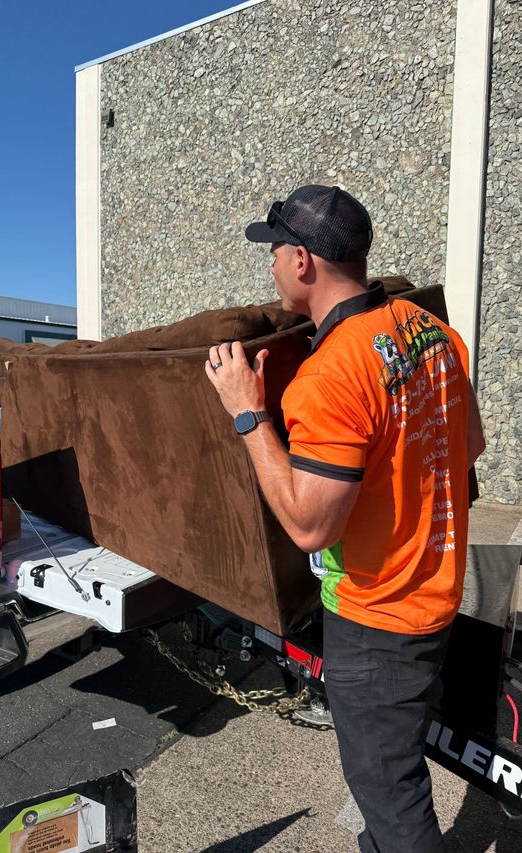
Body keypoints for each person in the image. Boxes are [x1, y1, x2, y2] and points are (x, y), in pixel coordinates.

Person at [204, 184, 485, 853]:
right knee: (388, 780)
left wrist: (248, 412)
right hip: (436, 596)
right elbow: (466, 449)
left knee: (392, 798)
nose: (269, 266)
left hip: (377, 621)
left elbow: (310, 527)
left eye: (273, 251)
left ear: (303, 260)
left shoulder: (331, 373)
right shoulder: (433, 334)